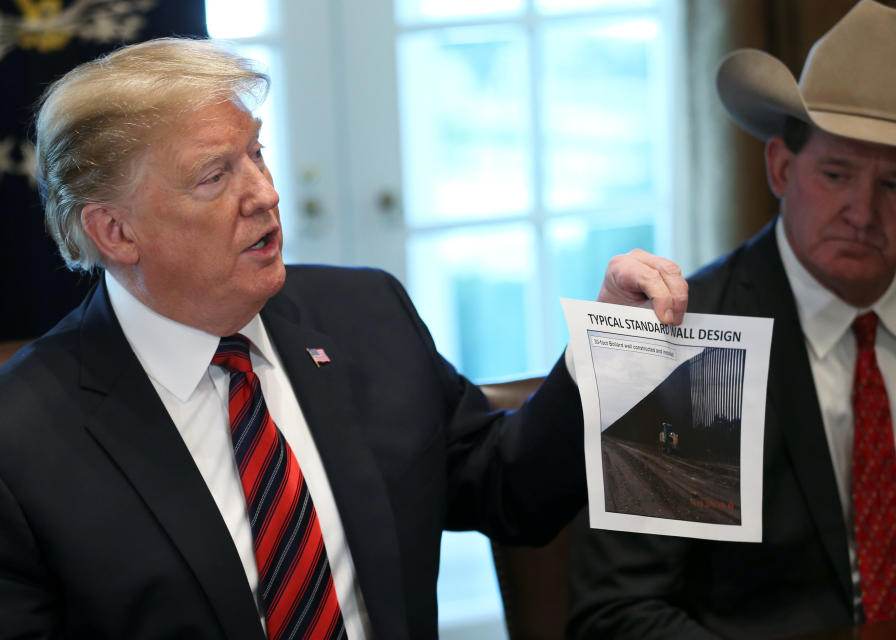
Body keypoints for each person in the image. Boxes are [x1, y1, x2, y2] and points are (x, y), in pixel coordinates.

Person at [0, 38, 687, 640]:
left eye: (257, 153)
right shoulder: (22, 439)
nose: (264, 193)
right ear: (115, 232)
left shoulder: (364, 315)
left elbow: (509, 488)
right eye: (215, 177)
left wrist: (611, 345)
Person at [567, 1, 896, 638]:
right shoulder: (690, 344)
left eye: (895, 185)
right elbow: (617, 615)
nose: (861, 211)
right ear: (780, 167)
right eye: (836, 174)